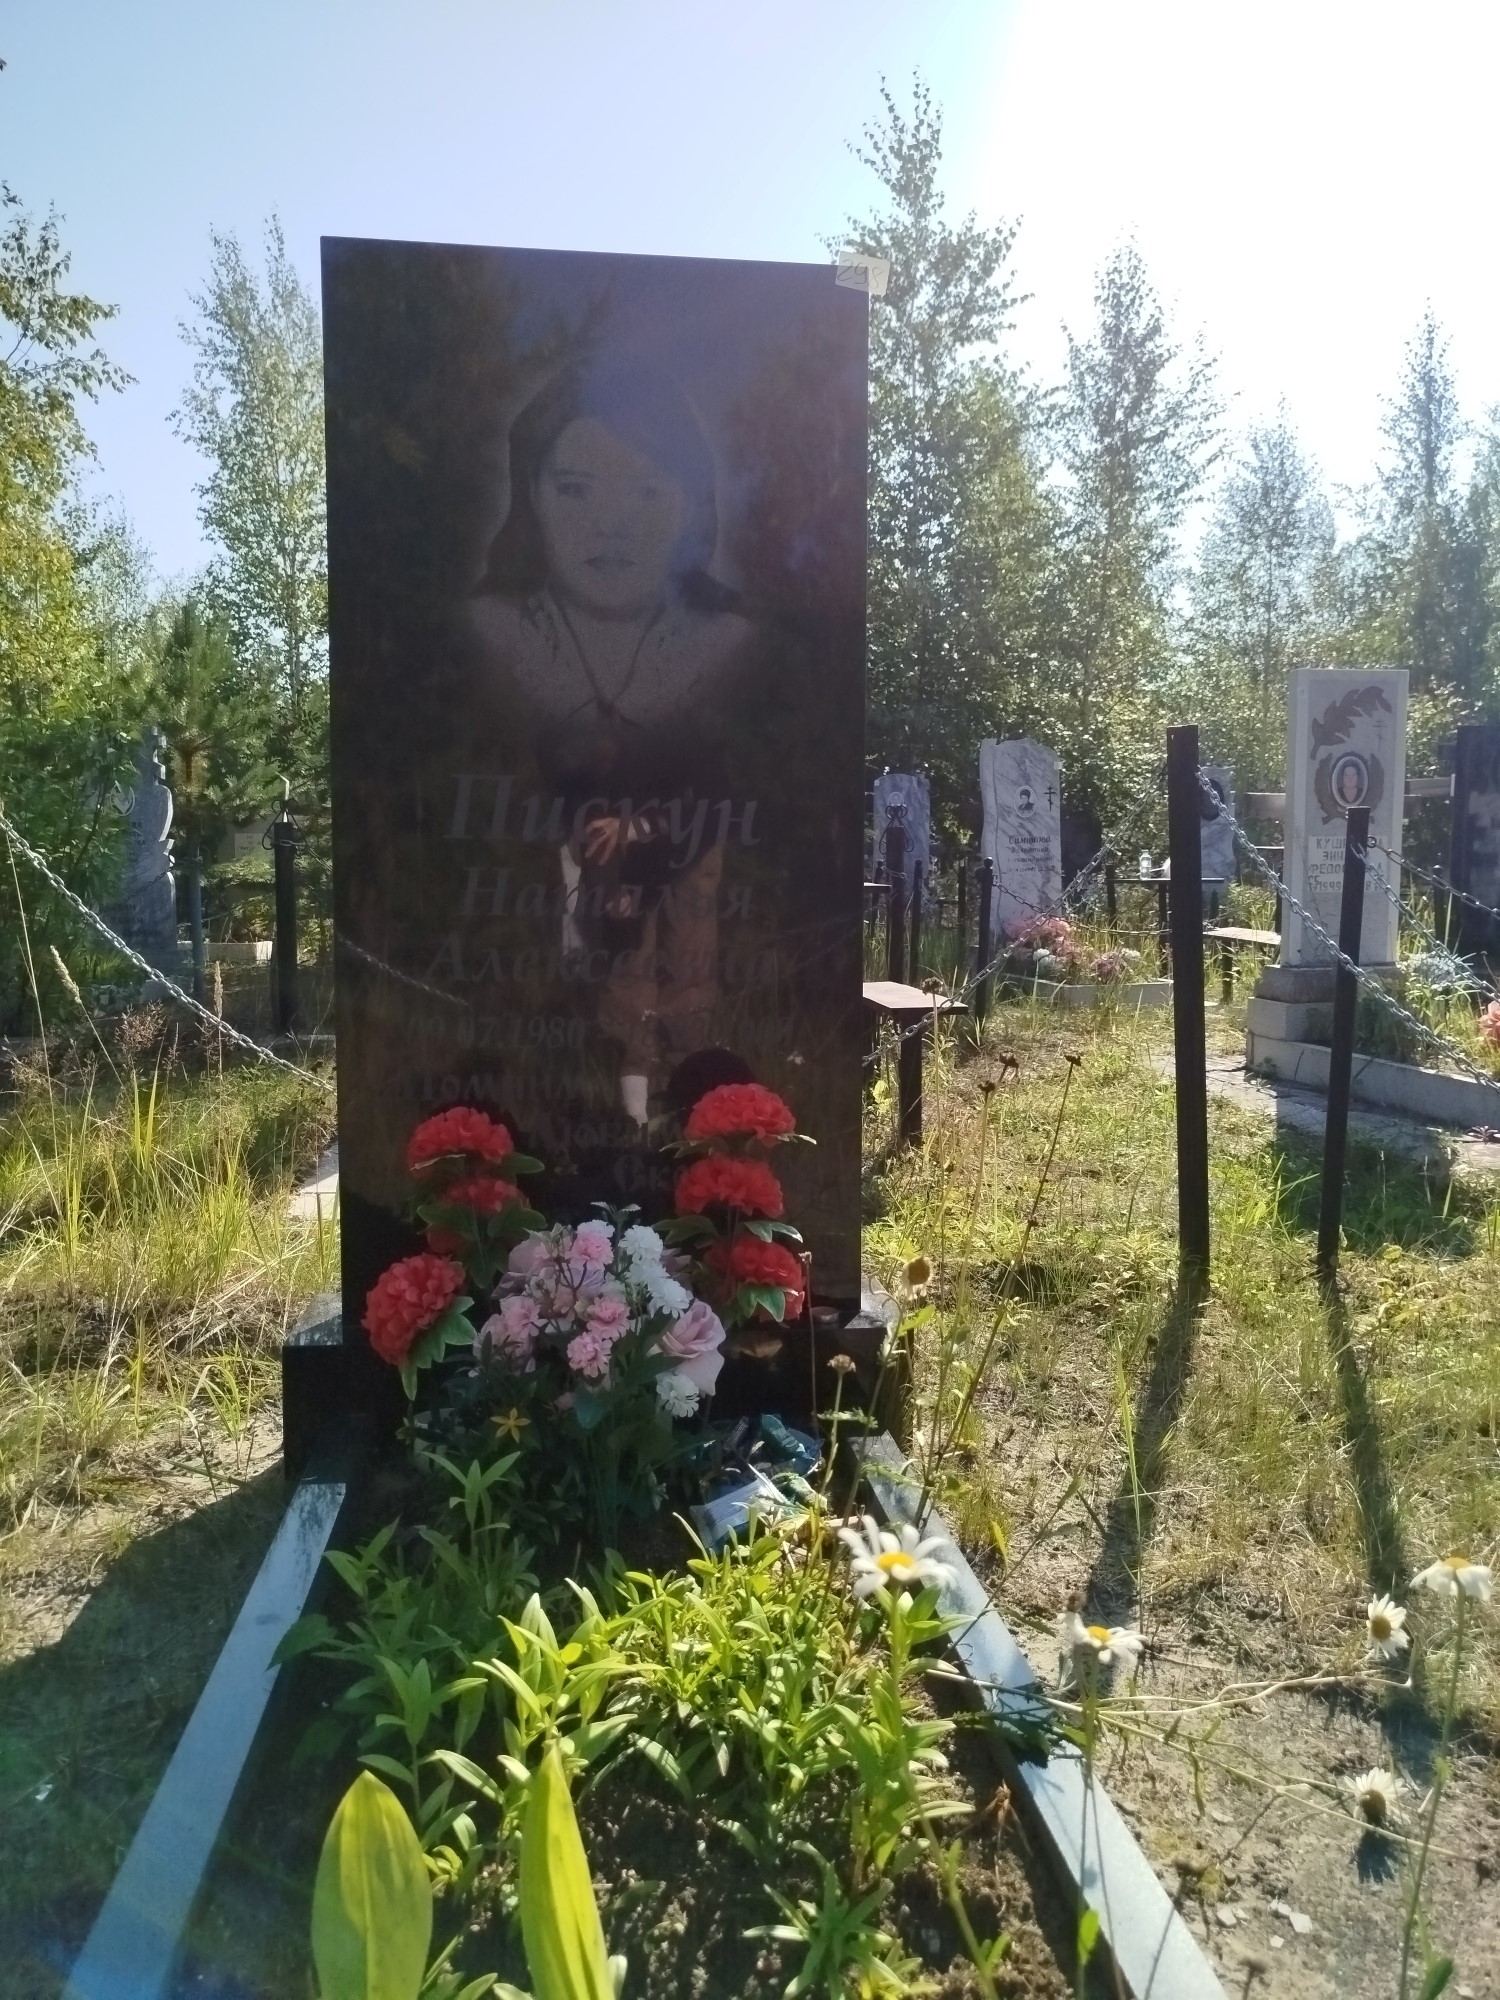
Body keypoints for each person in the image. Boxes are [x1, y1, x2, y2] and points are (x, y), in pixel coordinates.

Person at [467, 358, 756, 1129]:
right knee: (618, 997)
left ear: (689, 501)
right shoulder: (486, 635)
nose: (611, 522)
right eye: (576, 489)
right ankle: (622, 1123)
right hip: (585, 875)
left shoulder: (734, 644)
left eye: (647, 491)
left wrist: (652, 830)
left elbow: (719, 782)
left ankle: (681, 1132)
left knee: (683, 984)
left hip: (683, 854)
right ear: (531, 491)